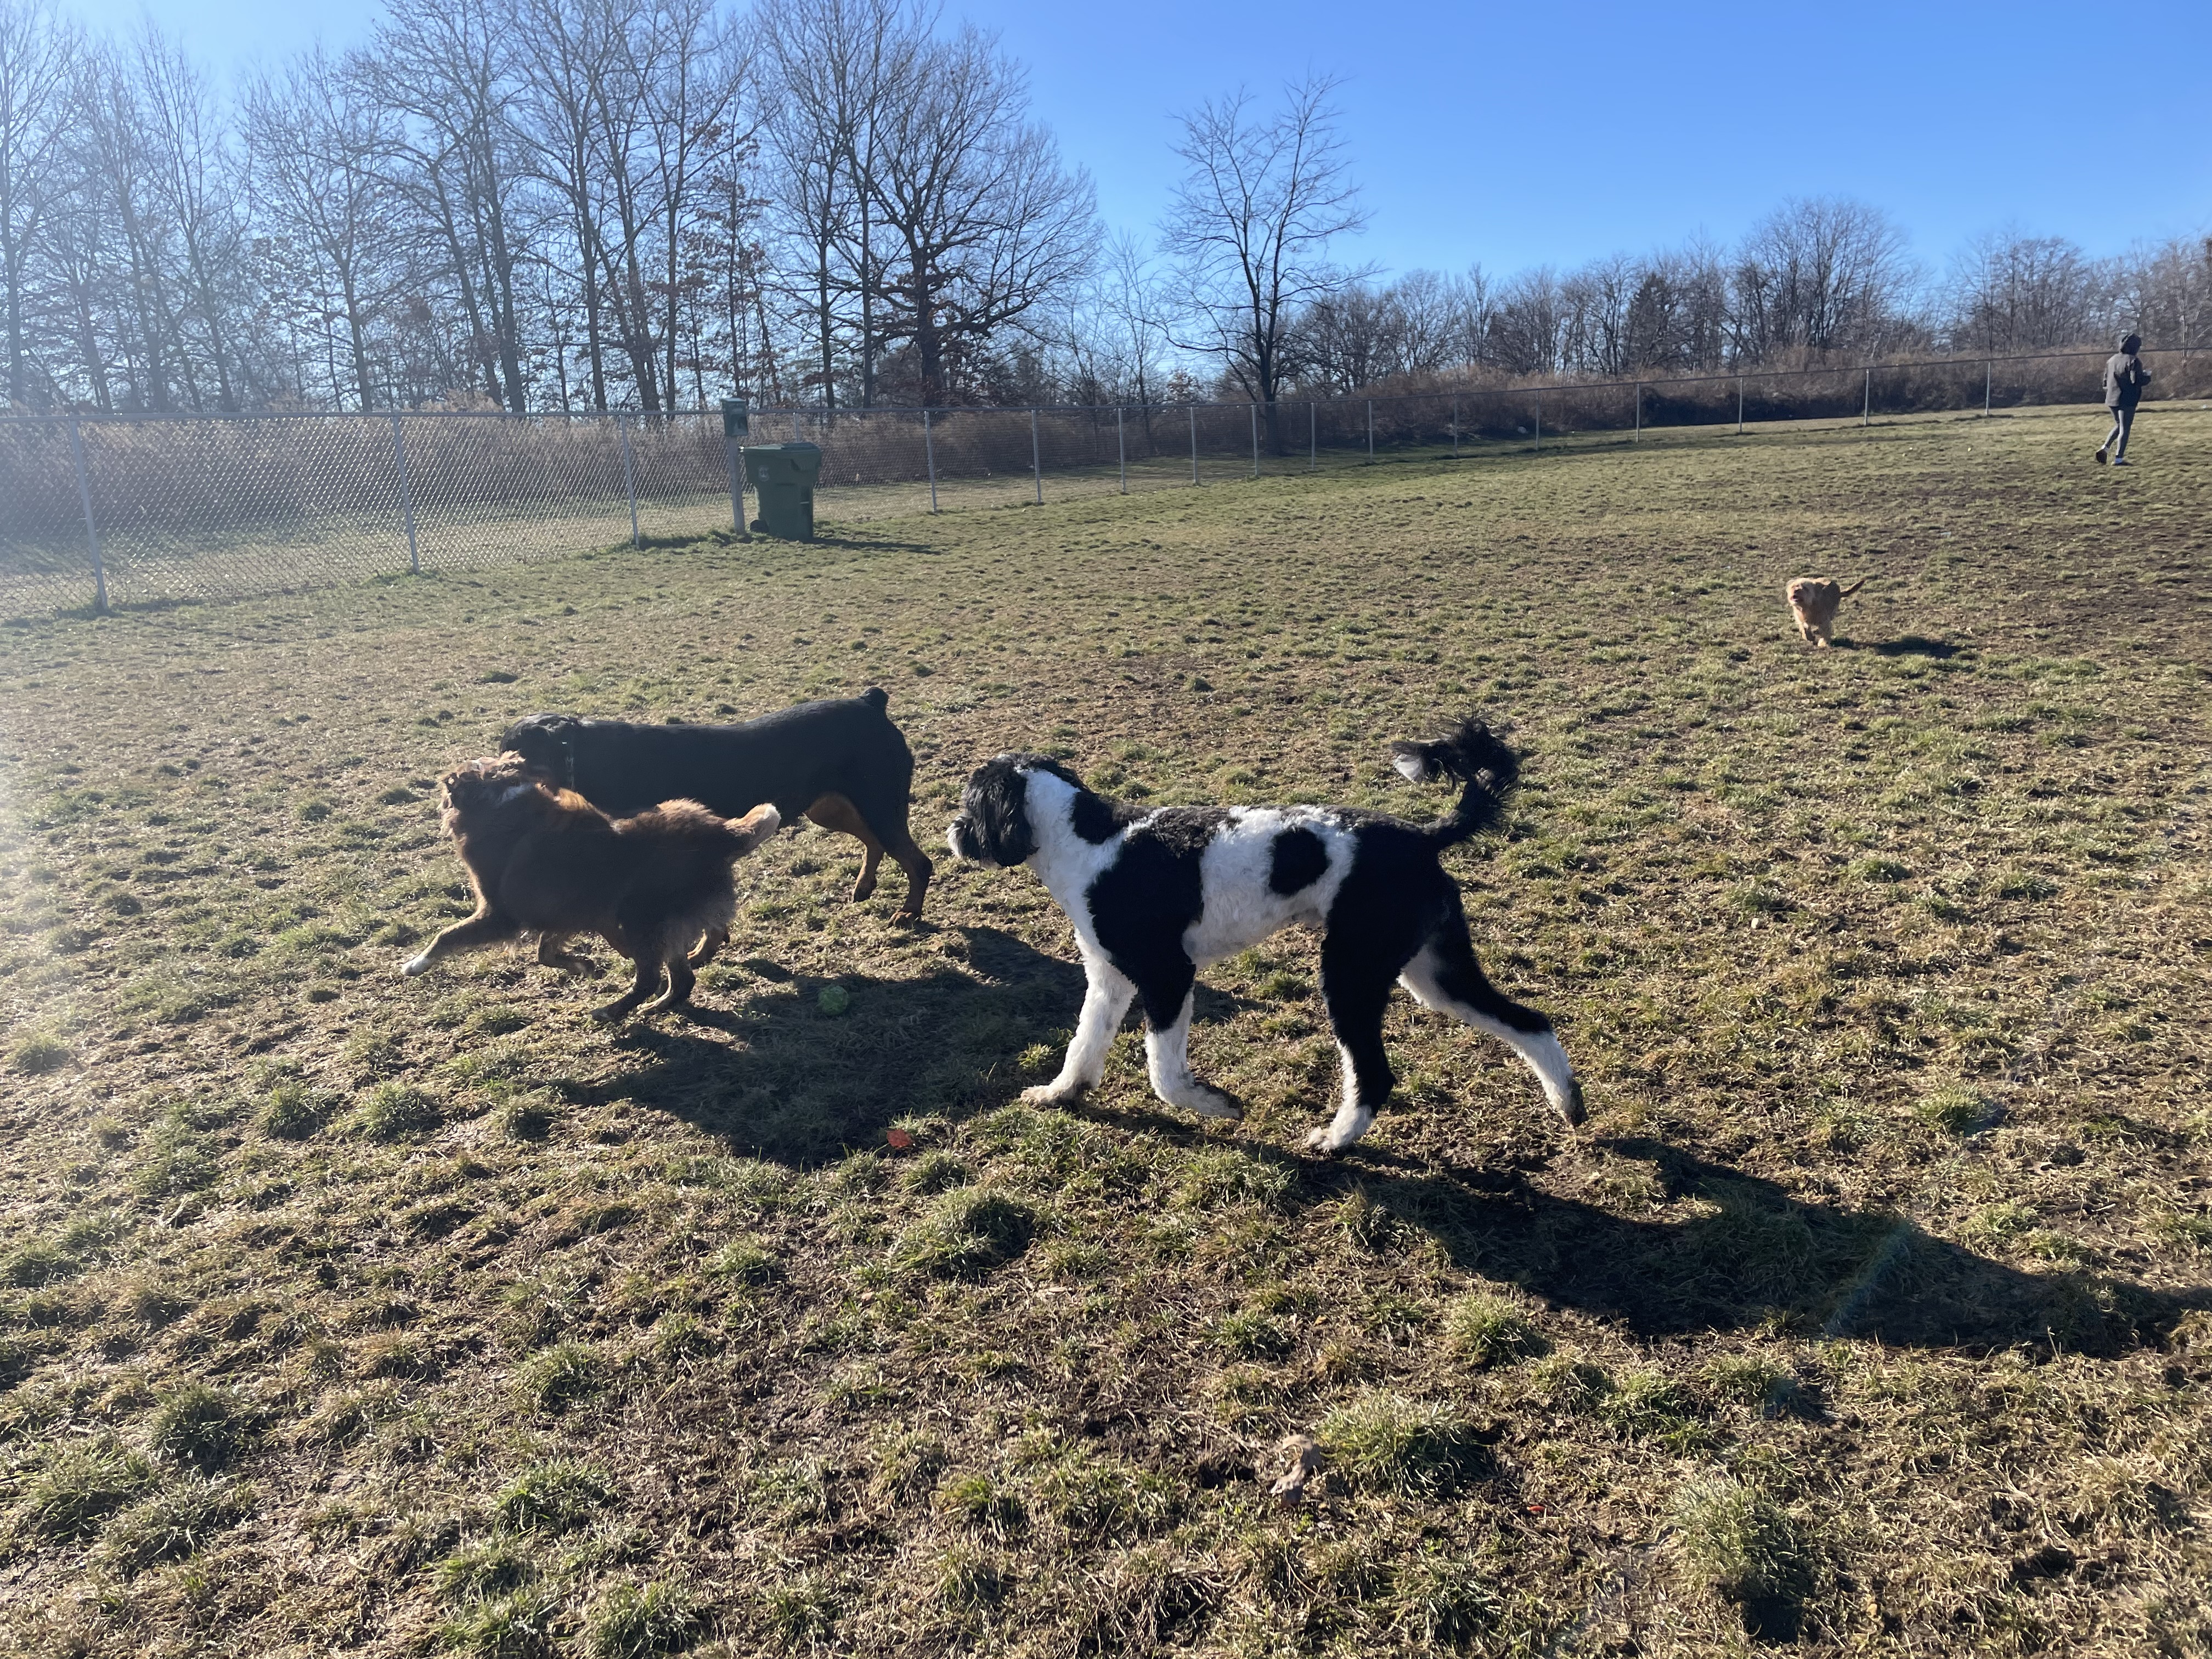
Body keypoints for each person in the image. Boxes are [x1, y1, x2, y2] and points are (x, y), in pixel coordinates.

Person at [2097, 332, 2149, 466]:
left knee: (2119, 426)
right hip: (2127, 399)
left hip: (2112, 399)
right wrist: (2147, 378)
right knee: (2125, 429)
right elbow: (2135, 380)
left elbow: (2105, 382)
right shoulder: (2134, 361)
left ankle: (2105, 448)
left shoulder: (2112, 360)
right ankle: (2119, 459)